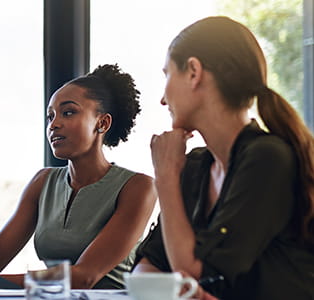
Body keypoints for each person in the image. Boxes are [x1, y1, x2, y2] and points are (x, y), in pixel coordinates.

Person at [133, 16, 314, 299]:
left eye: (167, 74)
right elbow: (146, 269)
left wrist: (166, 177)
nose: (163, 99)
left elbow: (194, 271)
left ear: (194, 72)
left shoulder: (268, 159)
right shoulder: (193, 166)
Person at [0, 64, 157, 290]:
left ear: (102, 123)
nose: (54, 124)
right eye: (50, 116)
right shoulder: (43, 182)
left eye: (68, 112)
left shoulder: (138, 187)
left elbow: (84, 276)